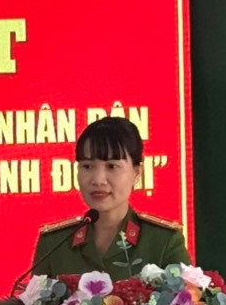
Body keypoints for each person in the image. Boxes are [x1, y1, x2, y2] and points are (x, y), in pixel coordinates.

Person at [31, 117, 191, 279]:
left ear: (137, 172)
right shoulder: (54, 244)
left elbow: (189, 294)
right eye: (87, 166)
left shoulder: (163, 241)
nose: (98, 180)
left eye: (112, 166)